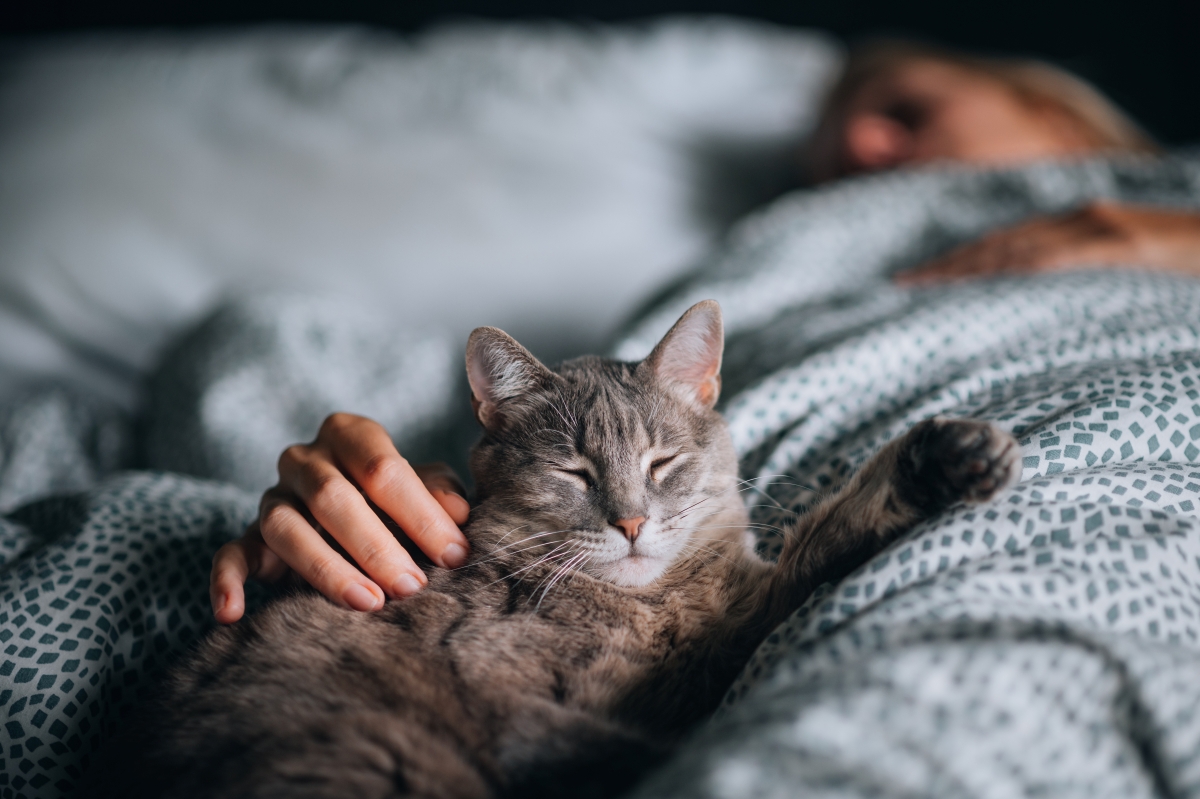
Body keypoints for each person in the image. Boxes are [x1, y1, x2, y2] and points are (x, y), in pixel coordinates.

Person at [209, 40, 1200, 624]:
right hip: (709, 599)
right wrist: (361, 495)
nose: (863, 146)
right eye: (822, 169)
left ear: (1060, 121)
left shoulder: (1173, 194)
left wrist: (1168, 231)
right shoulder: (751, 269)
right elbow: (249, 349)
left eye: (907, 111)